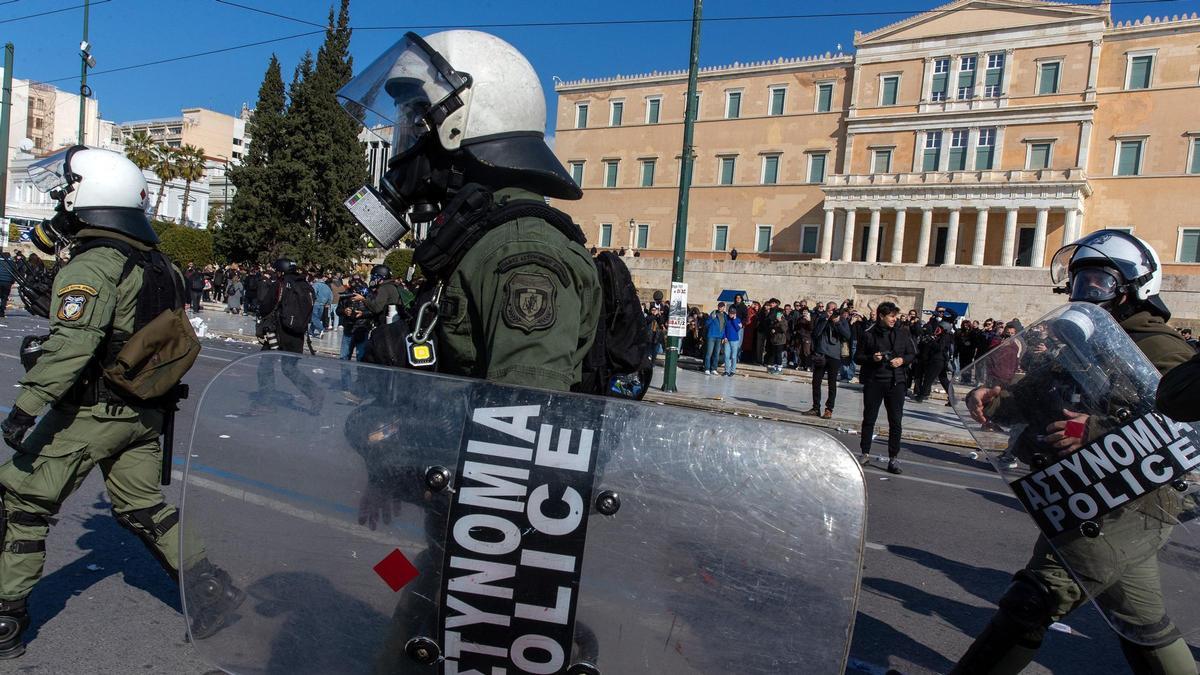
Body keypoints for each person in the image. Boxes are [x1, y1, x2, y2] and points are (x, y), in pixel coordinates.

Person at [0, 146, 241, 657]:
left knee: (22, 502)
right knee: (143, 506)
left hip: (89, 411)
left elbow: (74, 345)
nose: (63, 201)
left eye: (69, 190)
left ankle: (6, 617)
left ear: (90, 193)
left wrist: (27, 406)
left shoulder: (96, 263)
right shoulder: (160, 264)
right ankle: (213, 589)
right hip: (142, 412)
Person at [953, 230, 1197, 675]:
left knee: (1033, 600)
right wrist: (995, 398)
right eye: (1080, 283)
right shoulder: (1086, 340)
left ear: (1135, 287)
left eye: (1099, 284)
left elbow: (1184, 421)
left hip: (1125, 500)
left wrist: (1095, 428)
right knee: (1142, 623)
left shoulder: (1158, 345)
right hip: (1088, 493)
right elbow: (1047, 393)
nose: (1086, 294)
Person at [339, 29, 600, 391]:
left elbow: (519, 424)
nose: (406, 145)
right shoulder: (479, 238)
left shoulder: (523, 253)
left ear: (462, 124)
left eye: (414, 124)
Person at [856, 302, 916, 474]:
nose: (894, 319)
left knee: (896, 421)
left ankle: (893, 458)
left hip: (896, 383)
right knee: (869, 418)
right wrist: (872, 358)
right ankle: (865, 453)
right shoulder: (868, 334)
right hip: (874, 381)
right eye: (891, 316)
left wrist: (902, 361)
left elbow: (912, 354)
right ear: (881, 316)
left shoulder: (902, 333)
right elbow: (857, 357)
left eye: (895, 316)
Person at [807, 303, 850, 419]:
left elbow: (847, 335)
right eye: (830, 310)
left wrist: (838, 323)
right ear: (826, 310)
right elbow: (815, 334)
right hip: (821, 354)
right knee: (816, 382)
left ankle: (829, 409)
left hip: (834, 356)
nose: (832, 312)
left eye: (834, 310)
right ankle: (816, 407)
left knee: (832, 384)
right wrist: (825, 319)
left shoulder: (842, 320)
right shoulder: (822, 318)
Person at [703, 302, 726, 375]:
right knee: (709, 353)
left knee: (716, 354)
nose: (720, 308)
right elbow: (707, 324)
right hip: (711, 336)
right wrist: (712, 318)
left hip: (719, 337)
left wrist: (724, 337)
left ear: (724, 307)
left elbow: (725, 327)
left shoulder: (725, 315)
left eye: (722, 307)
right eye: (719, 306)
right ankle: (707, 368)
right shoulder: (713, 313)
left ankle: (714, 369)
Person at [309, 271, 333, 338]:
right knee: (317, 318)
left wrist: (310, 302)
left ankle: (321, 329)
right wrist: (328, 303)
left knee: (314, 318)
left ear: (316, 278)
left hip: (316, 303)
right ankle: (311, 332)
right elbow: (331, 296)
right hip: (323, 305)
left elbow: (313, 294)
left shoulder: (315, 285)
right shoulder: (327, 286)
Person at [721, 305, 742, 376]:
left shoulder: (738, 320)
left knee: (733, 356)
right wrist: (724, 337)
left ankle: (733, 370)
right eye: (730, 313)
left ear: (735, 314)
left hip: (734, 340)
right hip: (727, 340)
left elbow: (737, 328)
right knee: (726, 356)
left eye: (732, 313)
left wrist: (734, 320)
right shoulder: (726, 319)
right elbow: (723, 328)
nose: (731, 314)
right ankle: (726, 370)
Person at [0, 252, 14, 317]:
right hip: (7, 282)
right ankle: (1, 311)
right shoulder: (12, 263)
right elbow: (14, 273)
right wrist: (12, 281)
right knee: (4, 297)